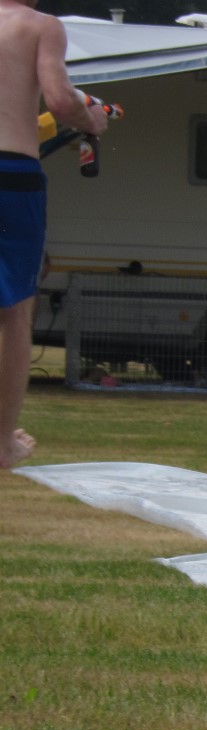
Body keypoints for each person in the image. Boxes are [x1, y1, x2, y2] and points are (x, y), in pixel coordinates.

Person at [1, 0, 107, 469]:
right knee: (15, 311)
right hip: (12, 174)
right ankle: (2, 440)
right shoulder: (41, 27)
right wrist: (92, 119)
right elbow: (61, 102)